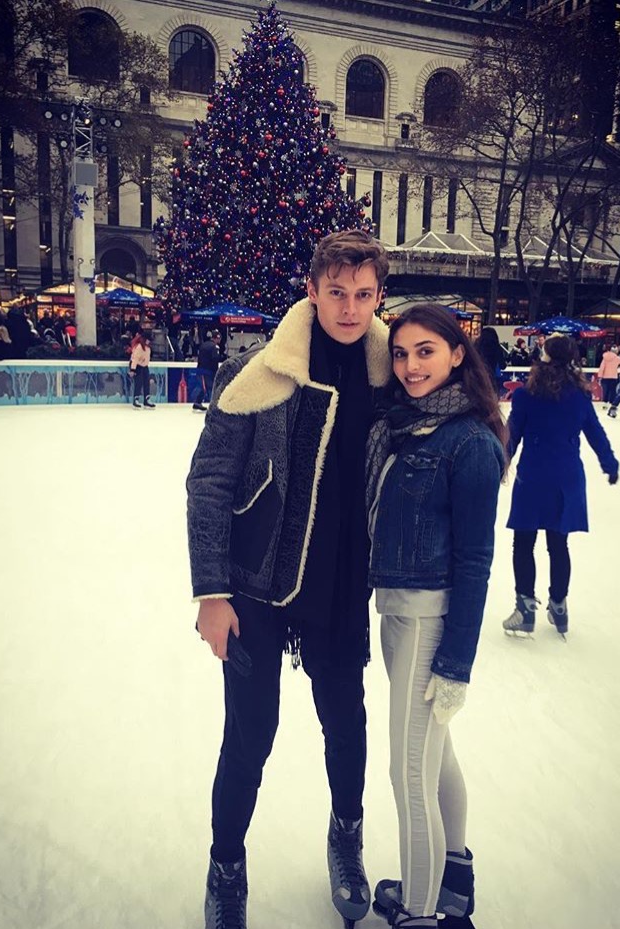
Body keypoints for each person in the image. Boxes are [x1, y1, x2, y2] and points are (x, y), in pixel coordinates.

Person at [186, 229, 391, 929]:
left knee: (346, 724)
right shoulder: (258, 372)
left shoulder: (391, 375)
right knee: (250, 735)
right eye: (337, 292)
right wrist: (211, 591)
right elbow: (209, 482)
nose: (349, 308)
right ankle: (226, 865)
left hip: (342, 586)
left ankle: (347, 835)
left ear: (379, 297)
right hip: (255, 586)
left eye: (363, 294)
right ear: (312, 290)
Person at [365, 305, 506, 928]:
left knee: (410, 774)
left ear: (456, 354)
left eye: (426, 351)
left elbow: (476, 561)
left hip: (428, 622)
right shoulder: (404, 425)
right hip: (397, 612)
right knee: (435, 755)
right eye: (401, 353)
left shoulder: (469, 442)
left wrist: (455, 664)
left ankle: (420, 913)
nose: (411, 366)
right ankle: (453, 880)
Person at [502, 334, 619, 638]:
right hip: (566, 478)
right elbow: (595, 433)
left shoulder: (526, 394)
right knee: (558, 544)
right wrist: (609, 463)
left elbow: (511, 436)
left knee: (523, 543)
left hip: (533, 477)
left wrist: (498, 463)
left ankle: (525, 609)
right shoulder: (579, 396)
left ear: (544, 357)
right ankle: (559, 606)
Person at [193, 329, 223, 412]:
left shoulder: (204, 344)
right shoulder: (215, 347)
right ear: (217, 338)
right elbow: (215, 359)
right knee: (209, 387)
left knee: (205, 387)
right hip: (208, 370)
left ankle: (198, 402)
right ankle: (213, 405)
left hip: (201, 369)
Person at [129, 332, 155, 409]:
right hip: (137, 366)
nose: (150, 341)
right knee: (138, 382)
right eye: (148, 340)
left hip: (144, 366)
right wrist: (133, 369)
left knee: (146, 382)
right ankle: (136, 400)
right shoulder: (139, 347)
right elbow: (135, 359)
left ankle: (147, 400)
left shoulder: (148, 348)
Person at [596, 344, 620, 409]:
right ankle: (612, 404)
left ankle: (605, 404)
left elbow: (602, 368)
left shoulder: (605, 358)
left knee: (605, 391)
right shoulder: (617, 358)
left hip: (605, 378)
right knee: (613, 391)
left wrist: (600, 376)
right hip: (613, 377)